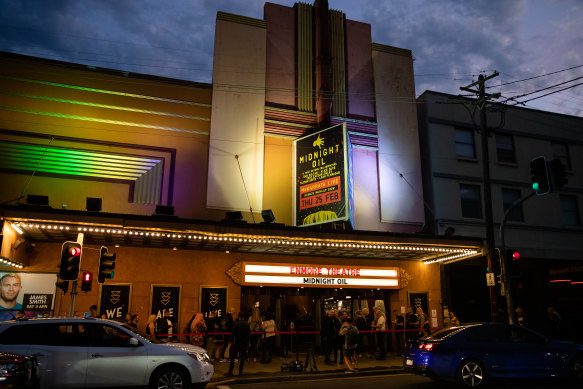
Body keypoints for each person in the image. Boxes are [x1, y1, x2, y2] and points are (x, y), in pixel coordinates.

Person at [226, 312, 251, 377]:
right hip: (244, 343)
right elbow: (248, 334)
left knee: (232, 357)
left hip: (236, 342)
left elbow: (233, 334)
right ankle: (240, 372)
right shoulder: (247, 324)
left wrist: (231, 340)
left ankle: (231, 371)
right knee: (242, 357)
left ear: (239, 317)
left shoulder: (236, 324)